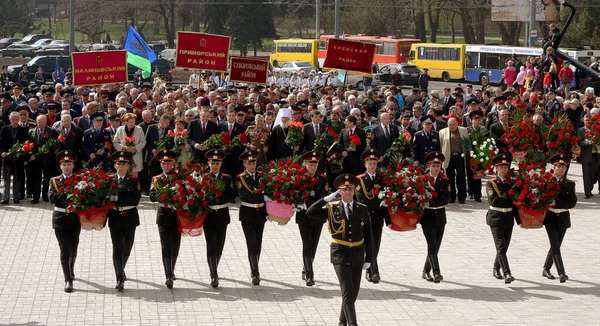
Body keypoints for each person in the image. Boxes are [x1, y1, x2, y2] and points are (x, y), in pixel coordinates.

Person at [306, 174, 373, 326]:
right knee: (347, 290)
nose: (348, 192)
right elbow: (310, 212)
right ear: (339, 192)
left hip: (357, 253)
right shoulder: (331, 208)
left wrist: (369, 258)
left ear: (354, 190)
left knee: (354, 291)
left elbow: (369, 236)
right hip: (340, 253)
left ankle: (342, 322)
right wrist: (325, 199)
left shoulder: (362, 209)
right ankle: (352, 323)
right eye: (345, 189)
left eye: (350, 189)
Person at [292, 151, 329, 286]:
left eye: (315, 164)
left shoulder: (322, 178)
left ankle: (306, 267)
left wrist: (307, 203)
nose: (313, 167)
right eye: (310, 164)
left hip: (317, 216)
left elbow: (322, 197)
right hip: (303, 216)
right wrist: (297, 203)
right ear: (305, 164)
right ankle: (309, 274)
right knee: (307, 244)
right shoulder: (299, 177)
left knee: (313, 245)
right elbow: (293, 193)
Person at [107, 151, 142, 291]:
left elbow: (135, 199)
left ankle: (122, 268)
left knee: (127, 246)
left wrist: (117, 199)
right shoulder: (109, 180)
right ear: (115, 165)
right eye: (118, 163)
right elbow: (106, 198)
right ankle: (119, 278)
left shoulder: (134, 180)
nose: (121, 166)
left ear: (128, 165)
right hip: (115, 217)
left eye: (124, 164)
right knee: (117, 247)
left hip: (129, 217)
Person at [49, 150, 81, 293]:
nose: (67, 167)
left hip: (74, 218)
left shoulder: (79, 180)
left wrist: (65, 195)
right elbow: (52, 198)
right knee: (64, 250)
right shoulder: (54, 181)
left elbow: (82, 197)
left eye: (69, 164)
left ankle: (71, 267)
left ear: (73, 165)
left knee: (73, 248)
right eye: (64, 164)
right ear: (60, 166)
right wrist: (69, 195)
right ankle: (68, 280)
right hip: (60, 219)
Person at [356, 149, 389, 284]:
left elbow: (387, 199)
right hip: (365, 216)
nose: (372, 166)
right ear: (365, 165)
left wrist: (388, 220)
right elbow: (362, 200)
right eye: (370, 163)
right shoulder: (360, 180)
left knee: (376, 244)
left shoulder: (382, 179)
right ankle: (374, 272)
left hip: (378, 217)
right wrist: (378, 202)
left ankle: (370, 270)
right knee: (367, 245)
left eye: (374, 163)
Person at [542, 153, 577, 283]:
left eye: (564, 167)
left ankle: (546, 268)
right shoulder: (546, 181)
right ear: (554, 167)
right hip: (550, 217)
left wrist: (557, 204)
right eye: (559, 166)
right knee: (555, 245)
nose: (561, 169)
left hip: (563, 216)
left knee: (556, 245)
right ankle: (562, 273)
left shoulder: (570, 184)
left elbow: (572, 202)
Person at [203, 149, 235, 288]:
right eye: (212, 162)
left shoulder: (226, 178)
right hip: (209, 216)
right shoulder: (203, 177)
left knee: (219, 246)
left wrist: (217, 197)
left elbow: (231, 195)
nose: (214, 165)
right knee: (211, 245)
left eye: (217, 163)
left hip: (222, 215)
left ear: (221, 164)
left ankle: (214, 266)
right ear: (208, 163)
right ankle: (213, 274)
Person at [149, 149, 181, 289]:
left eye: (168, 163)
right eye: (163, 163)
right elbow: (151, 195)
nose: (166, 166)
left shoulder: (179, 177)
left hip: (177, 216)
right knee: (165, 245)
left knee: (175, 245)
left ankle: (172, 269)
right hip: (163, 215)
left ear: (173, 163)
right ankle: (168, 274)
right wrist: (164, 196)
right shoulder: (156, 179)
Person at [419, 152, 450, 283]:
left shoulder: (445, 181)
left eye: (438, 165)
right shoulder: (422, 180)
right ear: (428, 166)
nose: (436, 168)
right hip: (427, 216)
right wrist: (432, 200)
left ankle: (426, 270)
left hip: (440, 216)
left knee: (436, 246)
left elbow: (446, 199)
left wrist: (432, 199)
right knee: (431, 243)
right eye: (434, 165)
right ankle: (436, 272)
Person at [236, 150, 267, 285]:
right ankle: (255, 272)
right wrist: (263, 195)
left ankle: (255, 266)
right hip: (247, 213)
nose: (252, 165)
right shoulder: (240, 178)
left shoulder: (262, 176)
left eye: (254, 162)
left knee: (258, 242)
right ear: (244, 164)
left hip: (260, 212)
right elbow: (245, 195)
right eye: (249, 163)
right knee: (251, 243)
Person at [486, 153, 517, 284]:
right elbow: (495, 201)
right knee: (501, 246)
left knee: (505, 246)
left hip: (508, 217)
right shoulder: (491, 183)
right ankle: (507, 273)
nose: (504, 169)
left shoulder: (512, 182)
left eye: (506, 167)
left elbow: (515, 200)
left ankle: (495, 268)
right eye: (501, 167)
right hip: (496, 217)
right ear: (496, 168)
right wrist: (510, 199)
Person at [28, 115, 58, 204]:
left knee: (47, 178)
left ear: (46, 122)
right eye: (39, 122)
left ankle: (45, 195)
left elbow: (57, 145)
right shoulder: (31, 131)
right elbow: (29, 145)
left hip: (48, 159)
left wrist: (50, 150)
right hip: (36, 159)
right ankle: (36, 197)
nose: (40, 124)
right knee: (36, 179)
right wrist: (31, 155)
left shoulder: (52, 131)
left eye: (42, 122)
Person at [0, 111, 29, 205]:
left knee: (17, 179)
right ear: (10, 119)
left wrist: (25, 159)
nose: (15, 121)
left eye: (16, 119)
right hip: (7, 158)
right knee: (6, 179)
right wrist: (2, 152)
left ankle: (16, 197)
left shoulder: (23, 130)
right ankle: (6, 199)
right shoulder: (4, 129)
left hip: (18, 159)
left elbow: (26, 146)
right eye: (13, 119)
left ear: (19, 120)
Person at [439, 117, 469, 204]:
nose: (451, 127)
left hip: (460, 156)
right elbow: (440, 145)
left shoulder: (463, 130)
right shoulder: (442, 132)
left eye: (453, 125)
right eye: (449, 125)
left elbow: (468, 143)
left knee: (461, 177)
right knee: (449, 177)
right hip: (449, 157)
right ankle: (451, 196)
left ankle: (462, 197)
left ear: (457, 124)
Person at [466, 110, 488, 202]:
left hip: (480, 155)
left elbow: (487, 141)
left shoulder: (484, 130)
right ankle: (470, 192)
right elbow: (466, 142)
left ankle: (478, 195)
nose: (477, 121)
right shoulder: (468, 130)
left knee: (478, 175)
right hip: (470, 155)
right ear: (471, 120)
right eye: (475, 119)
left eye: (479, 119)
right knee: (470, 174)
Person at [577, 114, 597, 199]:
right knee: (586, 174)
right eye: (586, 120)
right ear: (583, 120)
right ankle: (587, 192)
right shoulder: (581, 130)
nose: (587, 122)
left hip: (595, 155)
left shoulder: (596, 130)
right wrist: (588, 141)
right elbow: (580, 142)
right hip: (586, 155)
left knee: (593, 174)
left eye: (589, 120)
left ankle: (590, 187)